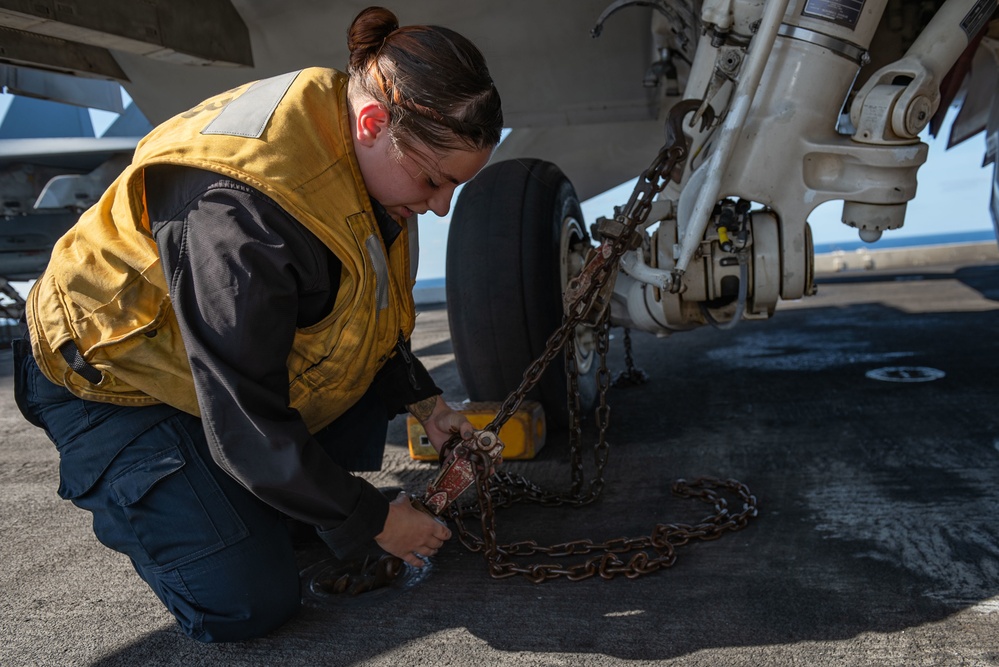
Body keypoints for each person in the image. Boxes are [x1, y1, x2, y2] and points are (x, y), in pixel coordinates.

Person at [11, 6, 503, 643]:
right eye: (435, 181)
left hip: (206, 366)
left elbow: (367, 308)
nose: (439, 207)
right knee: (250, 601)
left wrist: (424, 401)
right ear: (374, 122)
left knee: (304, 503)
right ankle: (186, 503)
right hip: (114, 384)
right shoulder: (242, 214)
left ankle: (250, 499)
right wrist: (372, 518)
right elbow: (245, 417)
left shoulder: (364, 156)